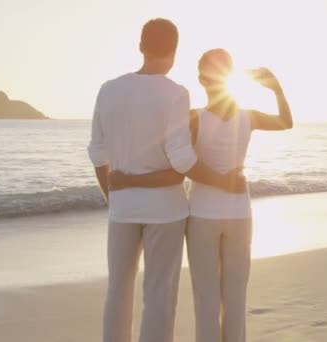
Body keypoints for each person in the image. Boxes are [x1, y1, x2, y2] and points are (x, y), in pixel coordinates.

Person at [108, 48, 293, 342]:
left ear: (200, 79)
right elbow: (286, 122)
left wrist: (130, 177)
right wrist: (276, 89)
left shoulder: (194, 118)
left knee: (205, 298)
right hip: (239, 214)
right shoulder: (250, 117)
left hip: (202, 215)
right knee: (235, 297)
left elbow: (183, 167)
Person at [87, 21, 246, 342]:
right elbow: (182, 161)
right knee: (159, 294)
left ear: (141, 46)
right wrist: (224, 180)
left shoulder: (108, 89)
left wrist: (115, 195)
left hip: (122, 211)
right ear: (174, 52)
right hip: (166, 212)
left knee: (118, 289)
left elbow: (97, 152)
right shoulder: (176, 93)